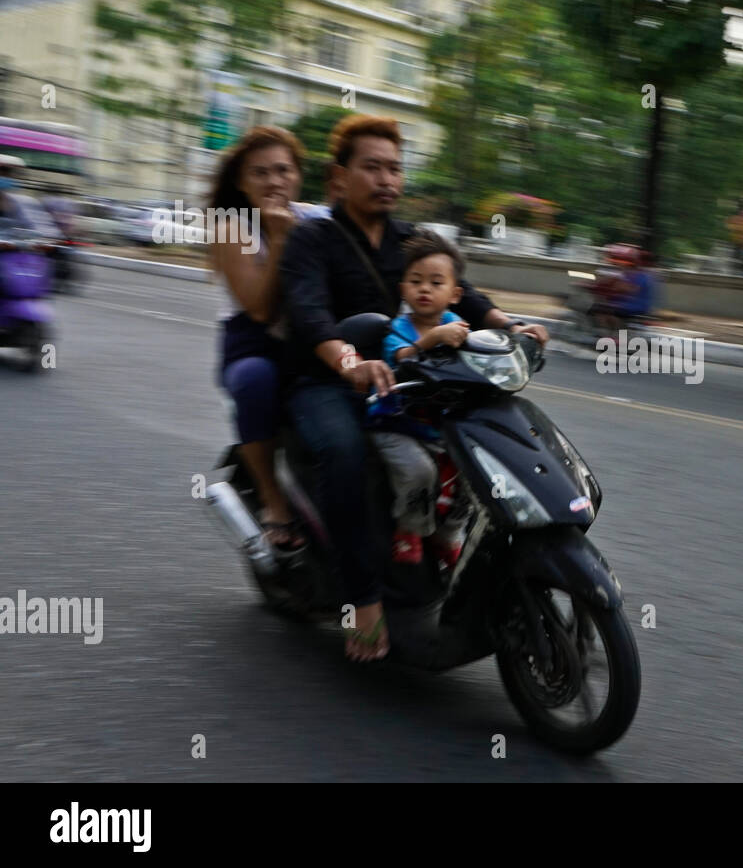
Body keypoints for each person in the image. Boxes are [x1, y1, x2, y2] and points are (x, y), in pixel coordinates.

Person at [279, 113, 548, 663]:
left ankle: (443, 553)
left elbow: (462, 291)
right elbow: (308, 314)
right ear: (340, 176)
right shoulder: (314, 238)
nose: (386, 179)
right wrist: (349, 360)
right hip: (327, 380)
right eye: (372, 167)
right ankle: (364, 601)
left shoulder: (410, 239)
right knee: (347, 453)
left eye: (394, 169)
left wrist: (508, 325)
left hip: (409, 381)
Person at [209, 126, 318, 552]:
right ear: (241, 182)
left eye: (283, 170)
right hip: (252, 344)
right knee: (255, 380)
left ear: (297, 175)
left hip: (309, 341)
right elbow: (259, 308)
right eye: (260, 173)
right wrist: (279, 237)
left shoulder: (316, 218)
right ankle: (273, 500)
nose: (274, 182)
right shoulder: (232, 228)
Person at [367, 233, 470, 566]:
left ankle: (449, 534)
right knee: (418, 472)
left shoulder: (458, 325)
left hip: (441, 425)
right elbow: (402, 358)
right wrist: (434, 338)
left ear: (455, 294)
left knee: (475, 470)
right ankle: (409, 530)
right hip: (396, 423)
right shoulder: (397, 329)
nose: (424, 289)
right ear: (403, 289)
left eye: (436, 282)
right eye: (416, 281)